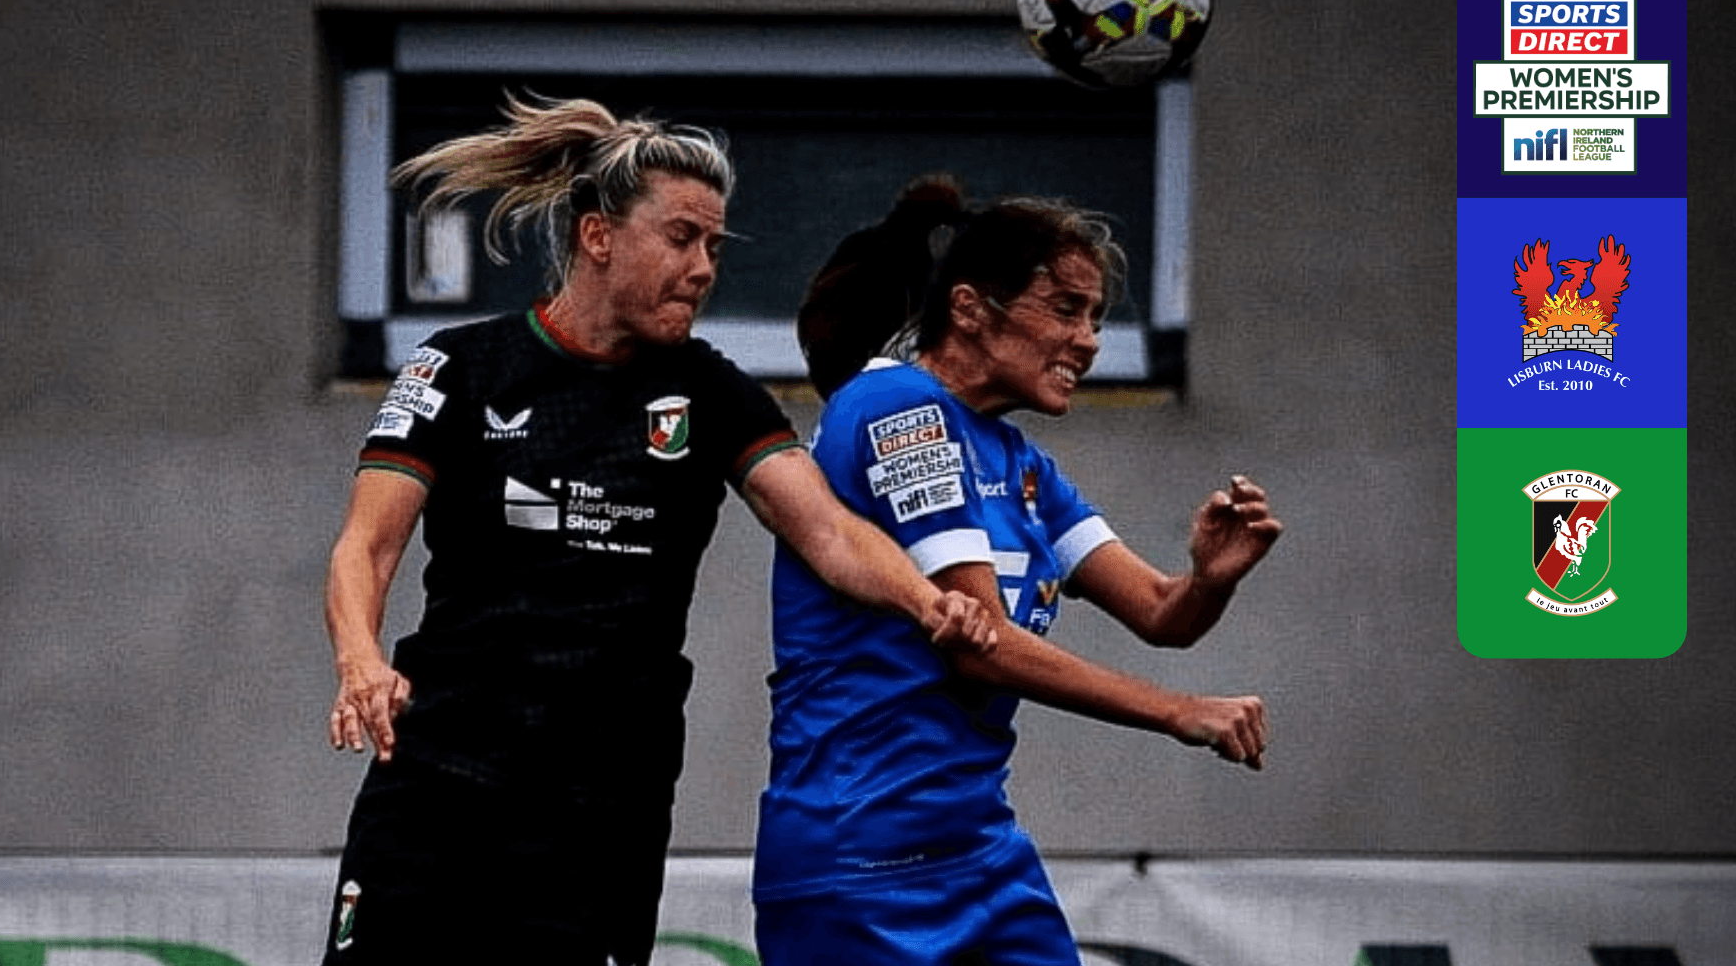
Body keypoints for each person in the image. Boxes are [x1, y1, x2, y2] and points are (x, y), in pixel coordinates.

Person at [319, 99, 994, 966]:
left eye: (714, 245)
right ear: (599, 237)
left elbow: (827, 531)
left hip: (601, 806)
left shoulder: (711, 392)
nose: (703, 268)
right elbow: (367, 545)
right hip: (440, 780)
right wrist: (361, 660)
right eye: (681, 239)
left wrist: (930, 603)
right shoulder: (459, 366)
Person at [754, 177, 1283, 966]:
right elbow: (979, 643)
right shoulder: (896, 405)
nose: (1089, 340)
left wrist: (1210, 579)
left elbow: (1161, 612)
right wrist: (1179, 712)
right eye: (1066, 309)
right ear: (969, 309)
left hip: (978, 853)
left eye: (1095, 318)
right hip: (859, 859)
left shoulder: (1022, 464)